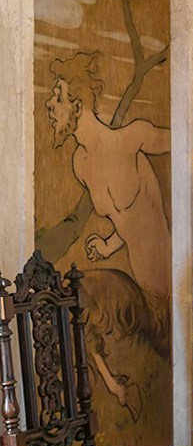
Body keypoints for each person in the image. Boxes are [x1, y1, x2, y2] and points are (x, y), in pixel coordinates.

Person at [43, 52, 171, 297]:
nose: (49, 104)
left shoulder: (132, 139)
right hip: (140, 280)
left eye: (58, 97)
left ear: (77, 107)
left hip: (169, 275)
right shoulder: (81, 164)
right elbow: (127, 219)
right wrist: (107, 246)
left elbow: (188, 145)